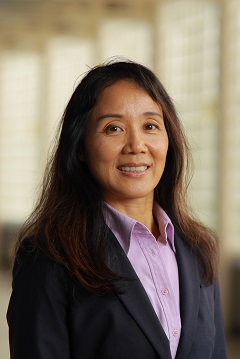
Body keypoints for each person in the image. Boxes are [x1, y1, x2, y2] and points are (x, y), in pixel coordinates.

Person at [7, 59, 227, 359]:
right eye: (113, 128)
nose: (136, 145)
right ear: (80, 147)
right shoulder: (49, 257)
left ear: (169, 140)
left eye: (150, 126)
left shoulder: (199, 248)